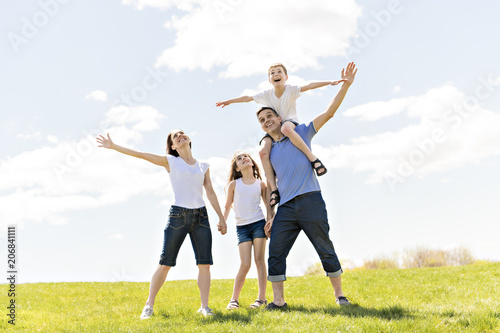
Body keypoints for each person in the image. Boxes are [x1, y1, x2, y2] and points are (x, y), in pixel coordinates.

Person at [257, 62, 357, 310]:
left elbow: (330, 111)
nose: (267, 121)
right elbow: (271, 188)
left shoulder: (302, 131)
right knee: (276, 253)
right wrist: (271, 216)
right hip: (286, 209)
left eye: (270, 116)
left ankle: (340, 295)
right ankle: (278, 302)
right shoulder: (268, 151)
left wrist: (345, 86)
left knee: (325, 247)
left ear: (280, 117)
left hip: (311, 200)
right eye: (262, 120)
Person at [96, 129, 227, 319]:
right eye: (176, 136)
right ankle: (149, 305)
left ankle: (204, 307)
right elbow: (140, 155)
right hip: (178, 216)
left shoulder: (203, 166)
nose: (180, 135)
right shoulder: (170, 161)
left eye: (183, 133)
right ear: (173, 146)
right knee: (165, 263)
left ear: (189, 139)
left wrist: (221, 218)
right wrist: (114, 146)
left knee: (205, 263)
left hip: (201, 217)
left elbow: (211, 193)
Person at [216, 63, 345, 208]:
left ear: (286, 77)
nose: (276, 74)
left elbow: (309, 85)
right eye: (272, 73)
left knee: (286, 129)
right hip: (275, 130)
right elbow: (247, 98)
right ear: (269, 79)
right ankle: (274, 190)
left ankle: (313, 159)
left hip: (289, 123)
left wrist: (330, 82)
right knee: (262, 152)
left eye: (279, 72)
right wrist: (229, 101)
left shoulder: (291, 90)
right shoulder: (266, 95)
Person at [223, 152, 273, 310]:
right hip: (242, 228)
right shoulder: (234, 185)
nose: (244, 158)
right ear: (237, 168)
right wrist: (222, 221)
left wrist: (270, 220)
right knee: (245, 264)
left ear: (251, 162)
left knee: (259, 260)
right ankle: (234, 300)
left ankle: (261, 299)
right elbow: (227, 206)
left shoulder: (261, 184)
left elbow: (268, 205)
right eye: (239, 158)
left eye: (246, 156)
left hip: (258, 224)